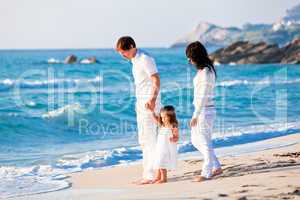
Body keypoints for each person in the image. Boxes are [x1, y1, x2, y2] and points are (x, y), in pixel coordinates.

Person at [116, 36, 161, 185]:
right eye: (120, 53)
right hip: (141, 102)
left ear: (132, 47)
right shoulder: (135, 60)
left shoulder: (145, 58)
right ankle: (152, 173)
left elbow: (156, 79)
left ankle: (150, 175)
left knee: (149, 139)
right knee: (144, 139)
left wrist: (153, 100)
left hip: (149, 102)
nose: (123, 55)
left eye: (124, 52)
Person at [186, 41, 222, 182]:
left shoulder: (206, 72)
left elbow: (203, 95)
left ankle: (206, 172)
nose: (189, 60)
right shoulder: (204, 70)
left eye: (190, 56)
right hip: (203, 110)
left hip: (205, 111)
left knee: (204, 142)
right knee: (196, 140)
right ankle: (216, 166)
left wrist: (196, 115)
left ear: (197, 56)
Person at [149, 105, 179, 184]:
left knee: (162, 162)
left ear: (171, 116)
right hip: (160, 148)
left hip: (166, 148)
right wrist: (152, 111)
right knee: (158, 162)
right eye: (162, 117)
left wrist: (173, 139)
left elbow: (176, 137)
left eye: (165, 117)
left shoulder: (173, 126)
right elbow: (156, 119)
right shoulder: (162, 125)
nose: (163, 119)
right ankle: (158, 177)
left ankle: (164, 178)